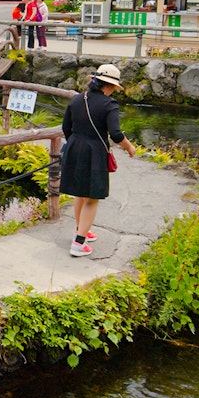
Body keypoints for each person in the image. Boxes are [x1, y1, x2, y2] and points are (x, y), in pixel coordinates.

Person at [59, 64, 137, 257]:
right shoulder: (109, 105)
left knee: (80, 193)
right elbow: (116, 134)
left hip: (74, 147)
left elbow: (66, 127)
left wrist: (76, 143)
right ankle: (78, 244)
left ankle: (81, 230)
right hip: (94, 152)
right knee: (92, 198)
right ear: (110, 86)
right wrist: (130, 147)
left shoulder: (77, 99)